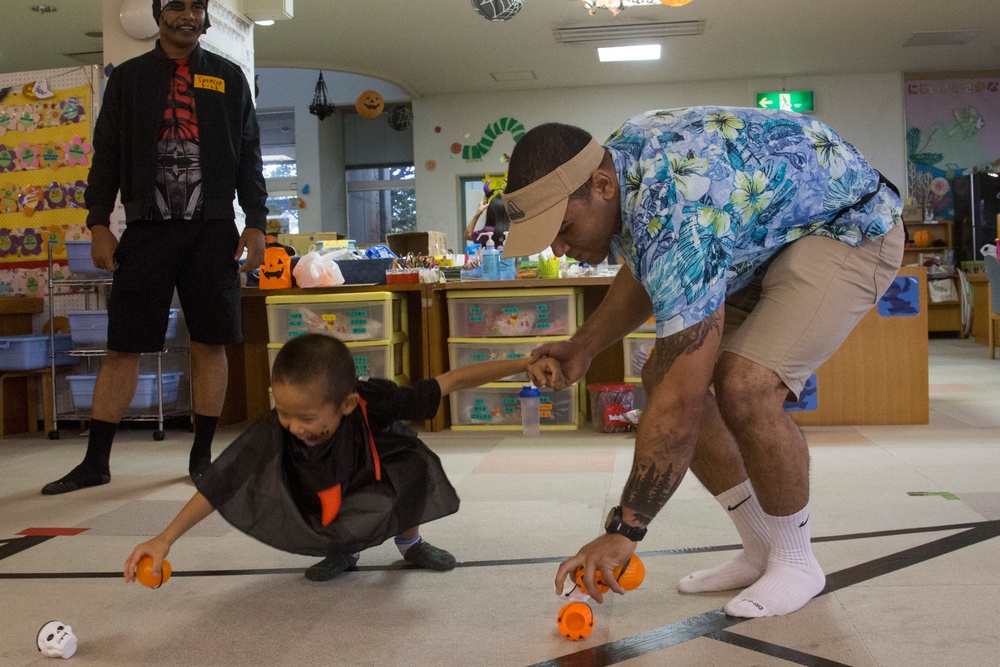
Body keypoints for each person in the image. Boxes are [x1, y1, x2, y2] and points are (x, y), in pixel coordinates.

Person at [501, 107, 904, 618]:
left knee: (745, 386)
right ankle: (762, 549)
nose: (558, 248)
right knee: (659, 371)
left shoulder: (677, 203)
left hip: (849, 228)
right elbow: (653, 266)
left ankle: (797, 561)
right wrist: (582, 347)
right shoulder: (621, 166)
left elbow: (680, 402)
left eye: (561, 228)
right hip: (767, 238)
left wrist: (624, 530)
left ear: (600, 185)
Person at [42, 0, 267, 494]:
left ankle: (202, 455)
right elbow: (107, 155)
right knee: (123, 345)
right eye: (175, 5)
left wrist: (256, 223)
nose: (186, 15)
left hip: (212, 230)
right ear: (158, 12)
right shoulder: (128, 79)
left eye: (196, 6)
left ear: (206, 17)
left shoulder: (228, 78)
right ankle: (96, 461)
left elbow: (249, 154)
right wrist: (98, 222)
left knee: (210, 341)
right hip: (146, 229)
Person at [124, 333, 557, 582]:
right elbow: (221, 481)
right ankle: (345, 549)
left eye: (306, 418)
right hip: (315, 487)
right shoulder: (281, 426)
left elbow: (450, 381)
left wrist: (523, 363)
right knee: (308, 490)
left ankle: (411, 543)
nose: (294, 426)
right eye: (285, 414)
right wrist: (165, 538)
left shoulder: (374, 401)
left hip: (369, 469)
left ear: (348, 404)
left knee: (412, 462)